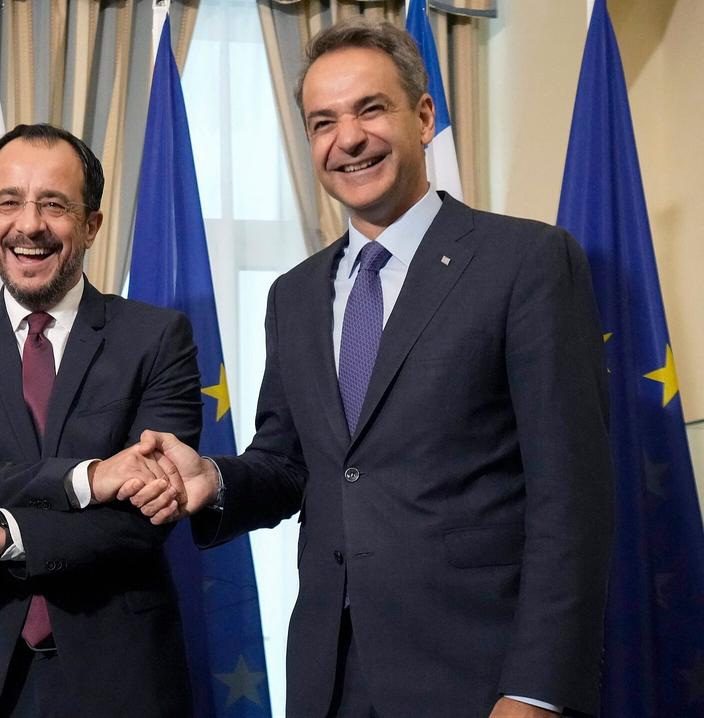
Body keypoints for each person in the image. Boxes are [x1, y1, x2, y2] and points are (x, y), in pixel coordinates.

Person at [127, 20, 614, 718]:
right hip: (330, 678)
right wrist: (214, 479)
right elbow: (290, 464)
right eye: (322, 122)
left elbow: (573, 500)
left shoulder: (527, 263)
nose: (346, 138)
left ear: (422, 117)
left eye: (369, 109)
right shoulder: (292, 295)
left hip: (479, 678)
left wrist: (536, 690)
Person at [0, 123, 201, 717]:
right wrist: (88, 479)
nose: (29, 225)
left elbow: (146, 517)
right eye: (8, 202)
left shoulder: (156, 339)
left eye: (54, 205)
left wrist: (5, 534)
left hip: (120, 671)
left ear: (91, 224)